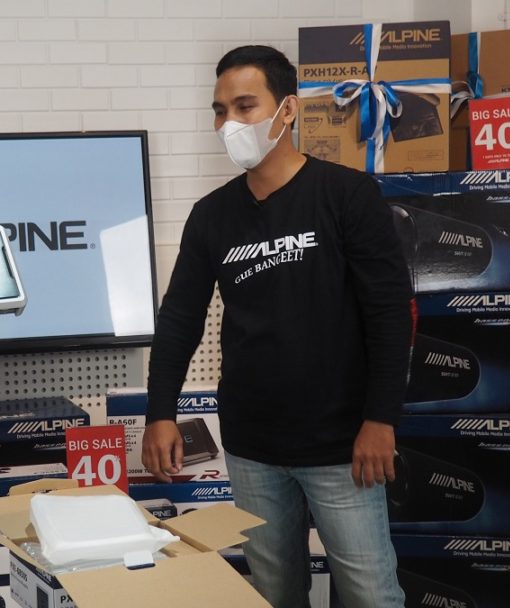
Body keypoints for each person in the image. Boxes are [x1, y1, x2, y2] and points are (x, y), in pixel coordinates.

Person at [141, 45, 412, 608]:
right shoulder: (211, 216)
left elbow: (389, 315)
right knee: (272, 594)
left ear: (287, 110)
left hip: (343, 446)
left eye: (245, 106)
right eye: (220, 111)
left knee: (372, 595)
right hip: (253, 448)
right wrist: (160, 412)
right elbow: (180, 319)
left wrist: (381, 419)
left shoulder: (347, 195)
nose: (230, 123)